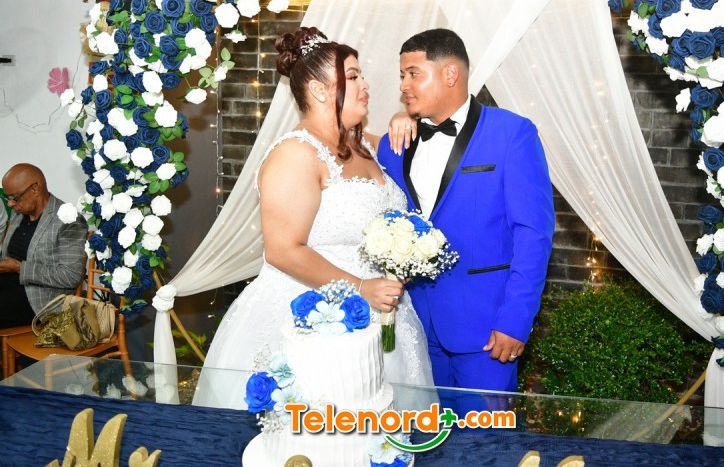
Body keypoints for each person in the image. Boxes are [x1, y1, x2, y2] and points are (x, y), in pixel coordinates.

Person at [193, 27, 434, 410]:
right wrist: (361, 288)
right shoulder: (294, 155)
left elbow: (418, 145)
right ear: (320, 90)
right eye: (353, 76)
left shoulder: (365, 145)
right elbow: (283, 250)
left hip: (385, 313)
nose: (365, 84)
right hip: (315, 313)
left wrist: (402, 118)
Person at [377, 28, 555, 406]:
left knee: (486, 436)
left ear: (450, 74)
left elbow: (533, 234)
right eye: (402, 75)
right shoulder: (392, 145)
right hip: (414, 327)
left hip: (487, 331)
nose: (404, 85)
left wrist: (515, 319)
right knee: (425, 434)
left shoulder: (513, 134)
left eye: (413, 74)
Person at [0, 163, 88, 328]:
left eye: (14, 198)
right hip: (8, 288)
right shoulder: (19, 214)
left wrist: (19, 268)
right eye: (7, 198)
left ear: (35, 189)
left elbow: (70, 276)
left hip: (40, 302)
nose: (10, 204)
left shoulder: (69, 220)